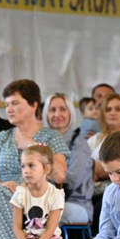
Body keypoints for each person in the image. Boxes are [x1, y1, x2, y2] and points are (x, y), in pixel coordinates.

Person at [0, 79, 70, 239]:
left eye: (15, 103)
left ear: (33, 105)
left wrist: (33, 145)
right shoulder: (3, 137)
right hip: (5, 195)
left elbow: (60, 176)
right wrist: (3, 184)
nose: (9, 109)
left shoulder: (50, 136)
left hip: (36, 199)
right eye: (7, 105)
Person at [43, 93, 94, 224]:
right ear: (46, 114)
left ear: (70, 113)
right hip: (44, 200)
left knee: (42, 213)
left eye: (63, 109)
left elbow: (72, 181)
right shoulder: (41, 141)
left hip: (76, 203)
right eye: (52, 110)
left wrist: (44, 176)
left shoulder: (79, 143)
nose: (57, 114)